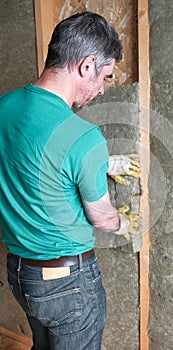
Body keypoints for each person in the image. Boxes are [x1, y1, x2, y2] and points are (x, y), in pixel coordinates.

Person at [0, 11, 139, 350]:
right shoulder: (84, 137)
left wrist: (98, 163)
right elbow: (101, 218)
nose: (103, 90)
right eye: (105, 76)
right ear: (87, 65)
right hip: (69, 284)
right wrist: (125, 223)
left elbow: (30, 155)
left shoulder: (4, 108)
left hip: (22, 274)